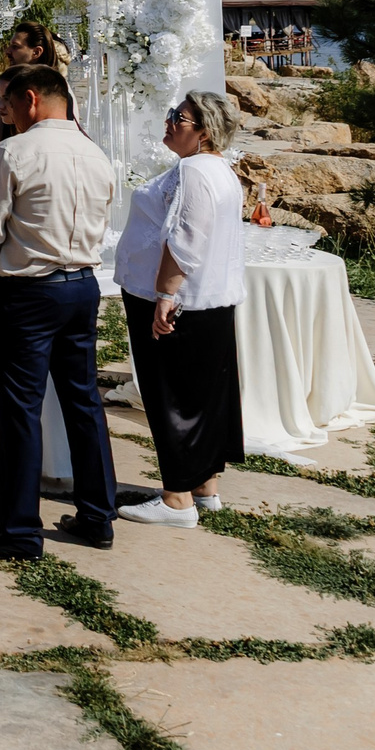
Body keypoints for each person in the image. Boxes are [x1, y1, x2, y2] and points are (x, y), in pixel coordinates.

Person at [0, 64, 122, 558]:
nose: (3, 111)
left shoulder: (14, 151)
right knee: (84, 402)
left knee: (21, 411)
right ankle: (97, 516)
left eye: (7, 101)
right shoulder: (95, 152)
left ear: (32, 98)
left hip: (30, 290)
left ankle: (20, 532)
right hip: (82, 285)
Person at [115, 91, 246, 528]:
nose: (169, 122)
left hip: (179, 303)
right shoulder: (221, 170)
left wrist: (164, 295)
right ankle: (204, 485)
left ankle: (176, 499)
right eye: (173, 114)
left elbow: (185, 238)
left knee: (169, 396)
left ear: (204, 132)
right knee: (202, 396)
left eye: (180, 118)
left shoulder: (195, 170)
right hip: (210, 300)